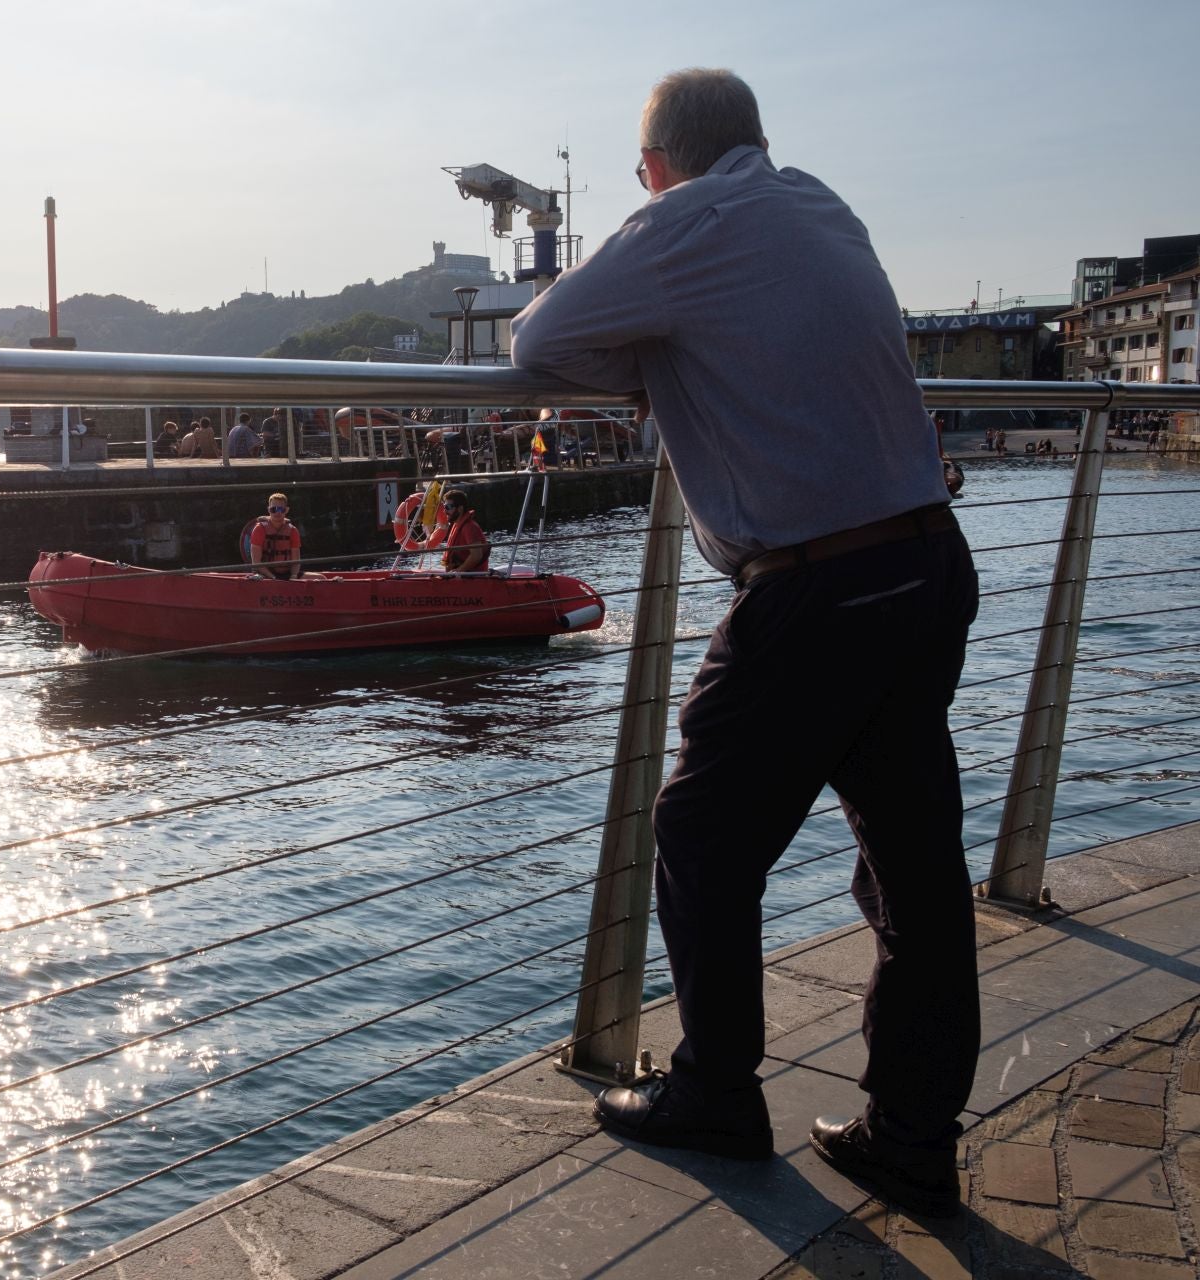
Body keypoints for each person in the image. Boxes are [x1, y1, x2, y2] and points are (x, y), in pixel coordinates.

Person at [512, 68, 978, 1216]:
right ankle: (913, 1137)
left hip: (822, 585)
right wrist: (669, 358)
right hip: (926, 566)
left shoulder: (685, 221)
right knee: (914, 864)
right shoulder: (821, 204)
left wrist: (646, 353)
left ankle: (718, 1087)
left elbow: (538, 338)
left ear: (656, 167)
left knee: (699, 829)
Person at [246, 492, 302, 579]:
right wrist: (273, 578)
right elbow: (256, 562)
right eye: (273, 509)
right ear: (269, 510)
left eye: (281, 509)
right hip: (264, 575)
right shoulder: (259, 529)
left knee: (320, 578)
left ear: (286, 510)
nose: (277, 512)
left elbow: (296, 561)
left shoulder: (292, 530)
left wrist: (293, 576)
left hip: (288, 575)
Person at [439, 488, 489, 571]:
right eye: (444, 507)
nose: (445, 511)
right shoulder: (457, 525)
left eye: (448, 507)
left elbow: (476, 555)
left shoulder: (470, 527)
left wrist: (458, 571)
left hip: (473, 578)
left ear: (460, 509)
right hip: (461, 576)